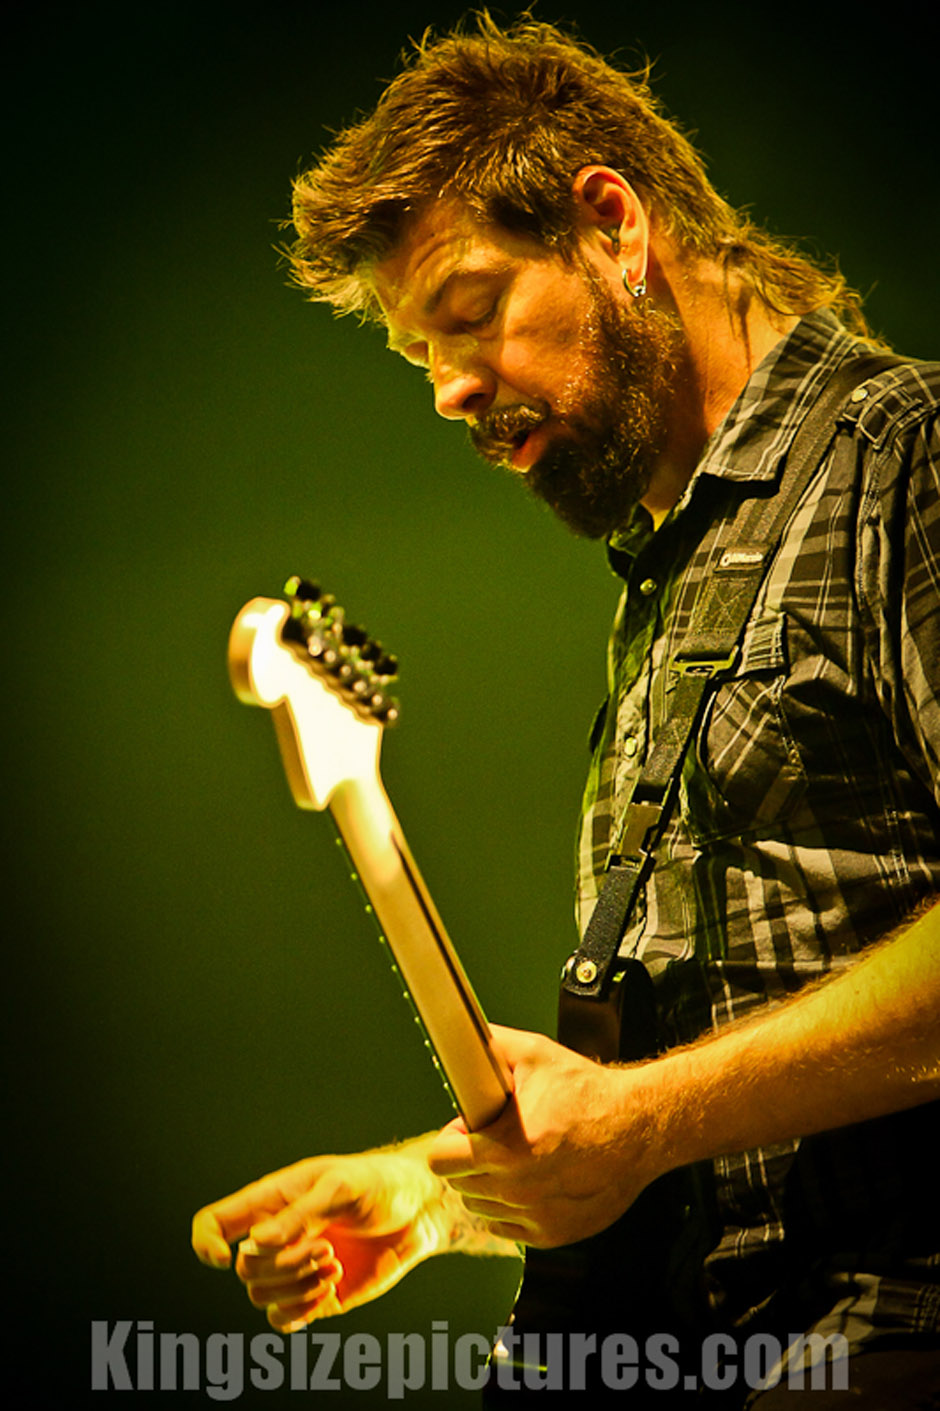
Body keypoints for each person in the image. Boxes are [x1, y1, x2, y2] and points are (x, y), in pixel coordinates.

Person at [191, 15, 940, 1404]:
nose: (448, 391)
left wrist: (640, 1118)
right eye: (418, 352)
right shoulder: (671, 579)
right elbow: (692, 1115)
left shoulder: (908, 457)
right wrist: (439, 1196)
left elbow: (656, 1115)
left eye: (470, 311)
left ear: (613, 225)